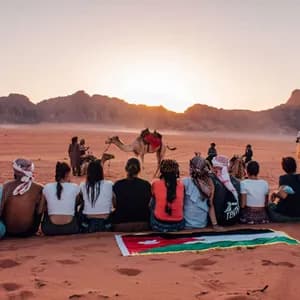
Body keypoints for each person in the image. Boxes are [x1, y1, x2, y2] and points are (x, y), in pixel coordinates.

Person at [0, 159, 43, 237]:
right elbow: (40, 210)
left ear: (15, 171)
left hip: (8, 230)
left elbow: (1, 208)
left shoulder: (7, 186)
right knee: (40, 203)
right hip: (27, 232)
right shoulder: (39, 188)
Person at [111, 158, 151, 231]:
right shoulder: (146, 185)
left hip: (120, 223)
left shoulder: (117, 185)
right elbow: (149, 204)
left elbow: (115, 205)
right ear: (139, 170)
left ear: (126, 169)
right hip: (144, 223)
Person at [41, 162, 80, 235]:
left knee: (47, 207)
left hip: (50, 229)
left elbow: (40, 210)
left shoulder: (47, 187)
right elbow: (77, 203)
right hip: (71, 228)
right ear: (67, 174)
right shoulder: (75, 187)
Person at [183, 156, 219, 229]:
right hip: (202, 223)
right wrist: (215, 224)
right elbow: (210, 205)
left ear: (191, 168)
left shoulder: (185, 182)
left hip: (186, 224)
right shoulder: (210, 183)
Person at [150, 159, 185, 232]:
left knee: (153, 203)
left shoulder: (155, 184)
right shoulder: (181, 185)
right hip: (178, 225)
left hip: (158, 225)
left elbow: (151, 205)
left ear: (162, 171)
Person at [79, 160, 113, 233]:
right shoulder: (109, 184)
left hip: (88, 224)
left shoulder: (83, 185)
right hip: (106, 223)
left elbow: (80, 202)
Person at [210, 155, 240, 226]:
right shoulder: (236, 181)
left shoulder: (213, 181)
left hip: (220, 220)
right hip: (234, 218)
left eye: (214, 166)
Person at [268, 157, 300, 222]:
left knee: (269, 207)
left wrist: (275, 194)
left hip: (288, 214)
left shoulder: (283, 179)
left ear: (284, 168)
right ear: (295, 166)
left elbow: (283, 195)